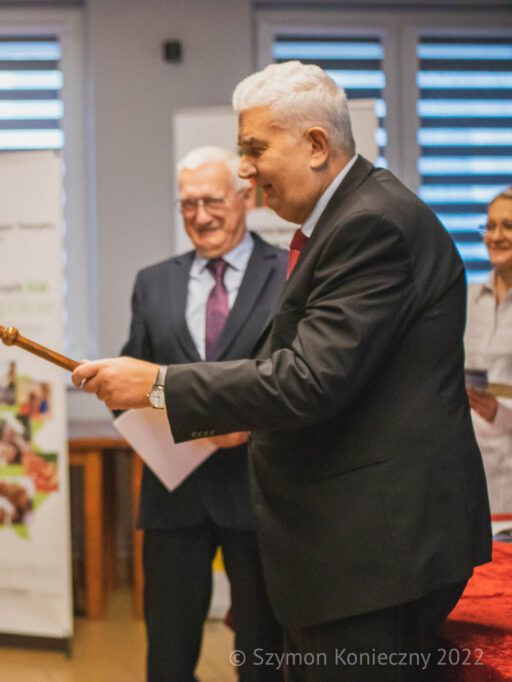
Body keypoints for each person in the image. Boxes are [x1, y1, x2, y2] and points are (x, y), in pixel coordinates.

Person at [73, 61, 492, 681]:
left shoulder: (369, 224)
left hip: (374, 553)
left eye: (255, 149)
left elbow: (308, 379)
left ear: (317, 145)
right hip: (355, 547)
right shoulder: (351, 218)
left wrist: (161, 384)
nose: (246, 169)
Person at [123, 145, 284, 682]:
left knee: (263, 651)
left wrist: (250, 427)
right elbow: (135, 381)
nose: (200, 216)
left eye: (212, 200)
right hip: (176, 495)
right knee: (167, 653)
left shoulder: (290, 272)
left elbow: (304, 378)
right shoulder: (153, 283)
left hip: (262, 491)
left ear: (245, 197)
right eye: (187, 204)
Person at [466, 187, 512, 513]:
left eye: (508, 226)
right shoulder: (466, 298)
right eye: (490, 226)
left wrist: (501, 412)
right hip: (469, 465)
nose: (495, 236)